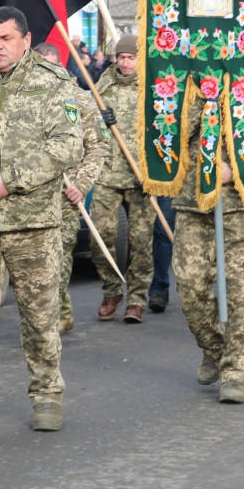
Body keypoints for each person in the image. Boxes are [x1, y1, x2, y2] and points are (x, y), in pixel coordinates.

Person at [0, 6, 83, 436]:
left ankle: (47, 393)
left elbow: (68, 146)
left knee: (39, 320)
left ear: (25, 38)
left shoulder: (53, 83)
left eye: (5, 38)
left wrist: (10, 182)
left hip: (34, 224)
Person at [173, 71, 244, 404]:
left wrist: (234, 169)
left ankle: (236, 371)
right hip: (192, 201)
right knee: (189, 285)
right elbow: (166, 133)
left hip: (243, 203)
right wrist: (202, 102)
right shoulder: (182, 80)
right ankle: (213, 347)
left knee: (240, 293)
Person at [35, 42, 109, 333]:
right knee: (39, 262)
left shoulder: (78, 99)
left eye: (51, 66)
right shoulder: (21, 98)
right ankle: (59, 310)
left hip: (64, 196)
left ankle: (55, 317)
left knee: (59, 258)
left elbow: (99, 147)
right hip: (28, 195)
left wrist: (81, 183)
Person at [87, 34, 156, 323]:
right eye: (122, 57)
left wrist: (153, 171)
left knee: (142, 241)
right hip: (107, 173)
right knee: (99, 236)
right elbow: (87, 122)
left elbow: (164, 130)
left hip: (141, 176)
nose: (125, 63)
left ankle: (137, 298)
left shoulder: (153, 89)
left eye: (131, 58)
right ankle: (112, 288)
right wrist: (100, 119)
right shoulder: (102, 85)